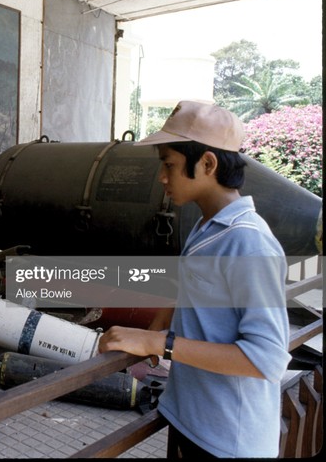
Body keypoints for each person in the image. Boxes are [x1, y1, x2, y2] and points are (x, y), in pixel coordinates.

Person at [97, 100, 291, 458]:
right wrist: (157, 328)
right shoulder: (207, 227)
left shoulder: (248, 241)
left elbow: (266, 358)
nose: (162, 177)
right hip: (194, 424)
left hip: (227, 444)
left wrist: (158, 344)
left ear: (207, 163)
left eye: (168, 164)